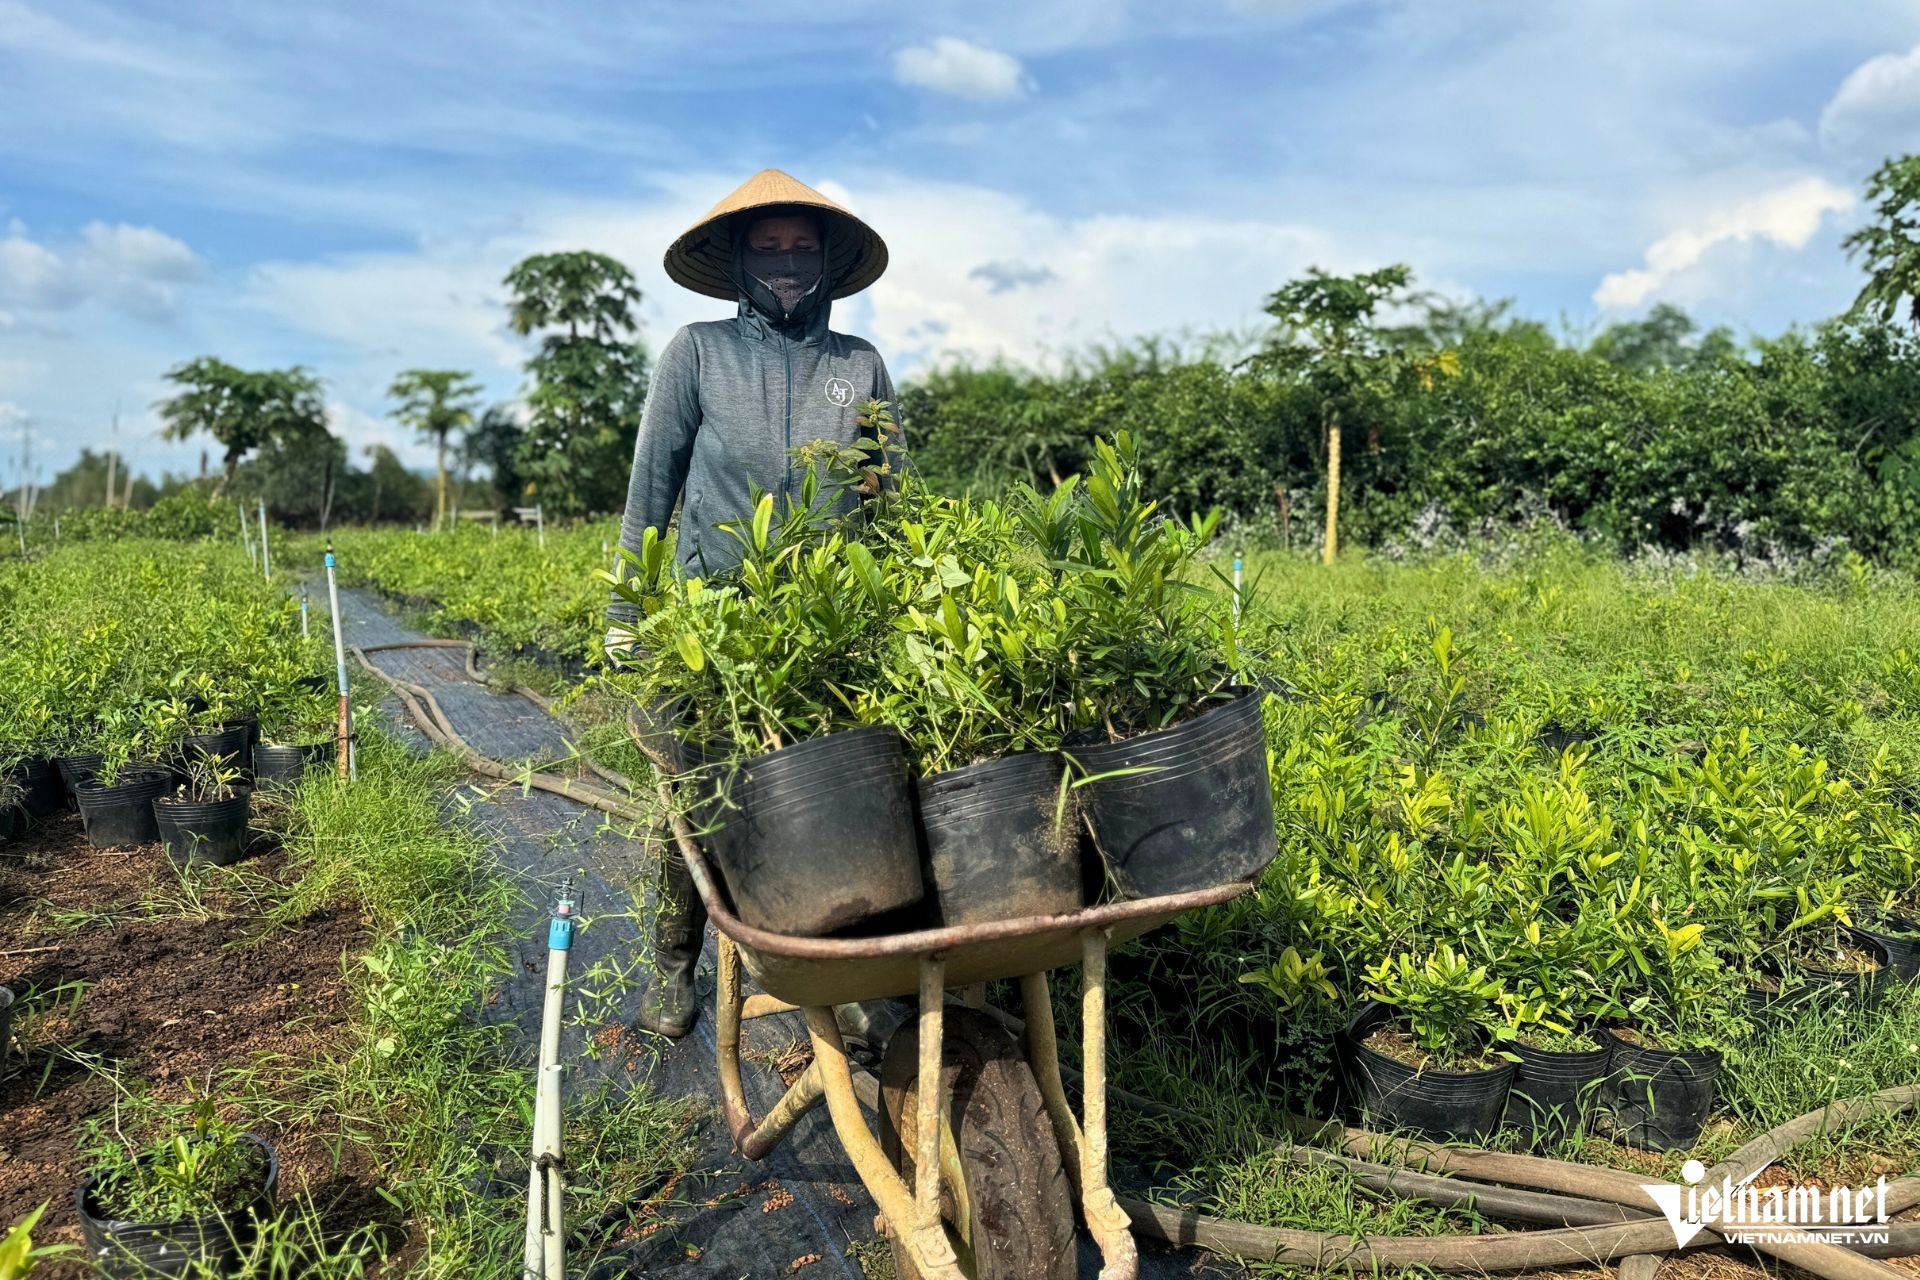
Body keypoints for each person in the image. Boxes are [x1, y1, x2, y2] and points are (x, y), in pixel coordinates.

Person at [608, 169, 904, 1038]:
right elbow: (648, 497)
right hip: (711, 624)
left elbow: (893, 506)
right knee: (695, 795)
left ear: (825, 259)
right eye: (766, 248)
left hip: (827, 628)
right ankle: (674, 961)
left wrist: (902, 609)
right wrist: (628, 619)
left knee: (831, 805)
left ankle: (833, 963)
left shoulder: (860, 366)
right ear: (737, 260)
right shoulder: (697, 353)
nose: (785, 262)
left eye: (800, 246)